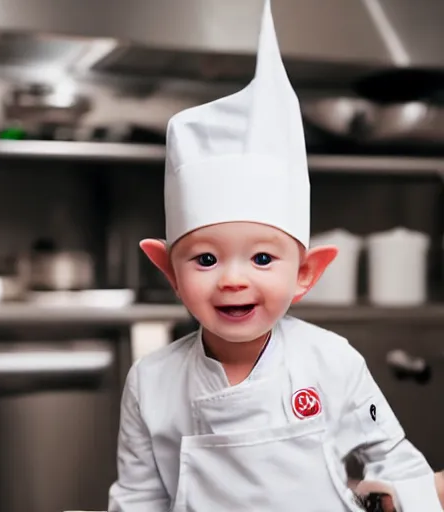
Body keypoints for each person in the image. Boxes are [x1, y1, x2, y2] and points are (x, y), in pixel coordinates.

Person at [108, 1, 443, 510]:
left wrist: (407, 498)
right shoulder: (150, 383)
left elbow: (391, 456)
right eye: (205, 260)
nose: (233, 281)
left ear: (307, 273)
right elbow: (138, 497)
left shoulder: (331, 361)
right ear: (168, 271)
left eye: (263, 259)